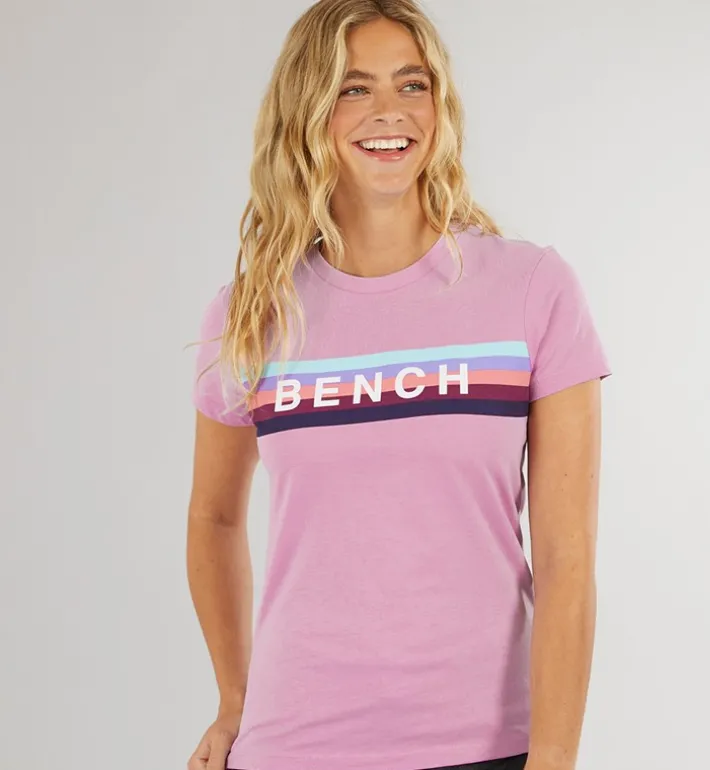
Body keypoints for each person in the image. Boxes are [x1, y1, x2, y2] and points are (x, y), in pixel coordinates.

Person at [187, 1, 611, 769]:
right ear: (308, 110)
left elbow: (567, 555)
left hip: (486, 745)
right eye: (354, 88)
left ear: (439, 105)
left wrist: (553, 757)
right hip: (292, 748)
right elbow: (214, 517)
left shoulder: (531, 290)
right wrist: (234, 700)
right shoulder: (253, 312)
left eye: (412, 84)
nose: (390, 111)